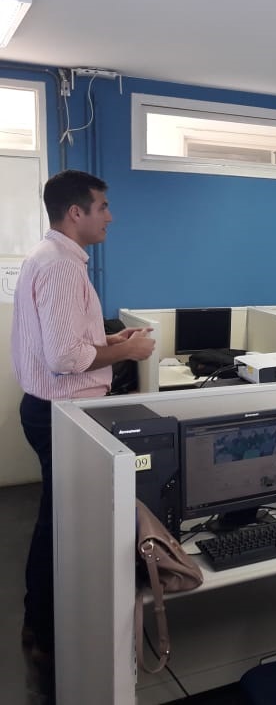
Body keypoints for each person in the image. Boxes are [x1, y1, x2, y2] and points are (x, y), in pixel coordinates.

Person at [11, 170, 156, 674]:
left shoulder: (49, 258)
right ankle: (48, 632)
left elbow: (63, 343)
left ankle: (38, 623)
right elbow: (65, 359)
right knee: (61, 526)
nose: (110, 217)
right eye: (103, 206)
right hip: (63, 413)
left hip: (51, 409)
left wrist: (112, 342)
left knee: (57, 519)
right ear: (76, 212)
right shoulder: (62, 268)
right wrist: (129, 352)